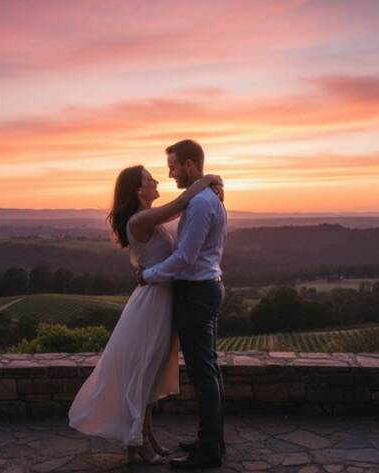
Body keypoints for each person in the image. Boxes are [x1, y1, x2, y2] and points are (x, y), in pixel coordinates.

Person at [67, 161, 223, 466]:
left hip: (162, 299)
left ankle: (147, 436)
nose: (157, 183)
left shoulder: (149, 219)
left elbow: (182, 207)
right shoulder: (140, 221)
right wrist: (209, 179)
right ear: (139, 189)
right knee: (141, 374)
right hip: (151, 303)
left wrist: (206, 186)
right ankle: (134, 442)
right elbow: (180, 203)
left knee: (150, 376)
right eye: (151, 180)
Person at [138, 139, 228, 470]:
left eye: (174, 167)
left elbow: (185, 258)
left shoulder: (203, 203)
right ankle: (212, 440)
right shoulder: (205, 197)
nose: (171, 173)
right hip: (206, 288)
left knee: (204, 371)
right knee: (210, 368)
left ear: (190, 165)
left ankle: (209, 449)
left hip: (197, 292)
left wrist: (148, 275)